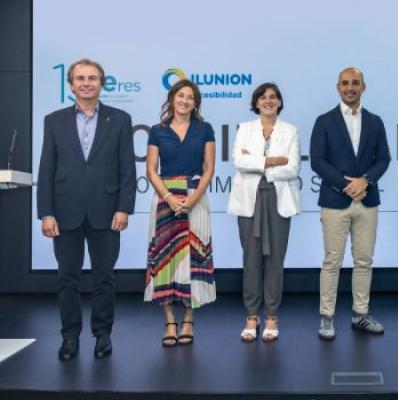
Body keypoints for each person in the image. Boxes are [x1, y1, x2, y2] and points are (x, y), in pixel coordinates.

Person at [37, 58, 136, 361]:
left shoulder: (119, 119)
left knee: (104, 277)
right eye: (80, 78)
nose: (86, 83)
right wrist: (46, 212)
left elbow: (127, 169)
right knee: (67, 277)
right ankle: (70, 337)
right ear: (71, 84)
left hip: (106, 211)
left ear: (101, 82)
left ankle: (102, 335)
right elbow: (47, 168)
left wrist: (124, 208)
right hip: (64, 211)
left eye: (92, 77)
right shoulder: (54, 120)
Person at [310, 67, 391, 340]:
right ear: (337, 87)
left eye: (355, 83)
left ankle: (360, 314)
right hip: (335, 200)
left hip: (367, 201)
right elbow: (318, 160)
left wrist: (364, 181)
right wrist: (347, 185)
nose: (350, 88)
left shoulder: (375, 121)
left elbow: (384, 159)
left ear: (363, 87)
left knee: (364, 261)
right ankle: (327, 317)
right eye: (345, 83)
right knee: (332, 261)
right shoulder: (324, 121)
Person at [144, 79, 217, 347]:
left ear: (195, 103)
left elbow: (209, 168)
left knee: (194, 259)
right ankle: (169, 322)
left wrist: (194, 197)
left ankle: (188, 318)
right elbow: (151, 170)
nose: (185, 101)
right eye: (181, 95)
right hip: (166, 198)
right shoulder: (157, 131)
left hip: (195, 196)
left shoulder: (205, 129)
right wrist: (168, 197)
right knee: (164, 259)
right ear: (172, 99)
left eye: (190, 97)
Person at [228, 82, 301, 342]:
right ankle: (251, 316)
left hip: (278, 201)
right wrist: (272, 160)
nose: (268, 101)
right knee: (251, 260)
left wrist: (257, 162)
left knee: (275, 261)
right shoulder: (245, 129)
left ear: (279, 102)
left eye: (273, 97)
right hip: (249, 201)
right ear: (256, 103)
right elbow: (239, 161)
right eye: (263, 97)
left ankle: (271, 315)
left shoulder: (290, 130)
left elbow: (292, 169)